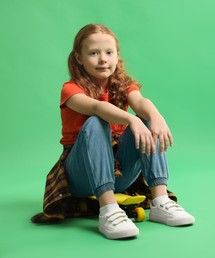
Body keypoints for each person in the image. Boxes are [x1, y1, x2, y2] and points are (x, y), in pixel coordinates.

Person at [31, 24, 195, 239]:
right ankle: (108, 210)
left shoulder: (124, 85)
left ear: (117, 56)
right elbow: (97, 108)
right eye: (93, 53)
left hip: (119, 173)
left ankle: (161, 202)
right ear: (79, 58)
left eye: (109, 53)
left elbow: (140, 101)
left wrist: (155, 117)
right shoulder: (70, 89)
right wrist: (129, 119)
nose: (102, 59)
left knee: (145, 119)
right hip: (82, 176)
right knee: (96, 122)